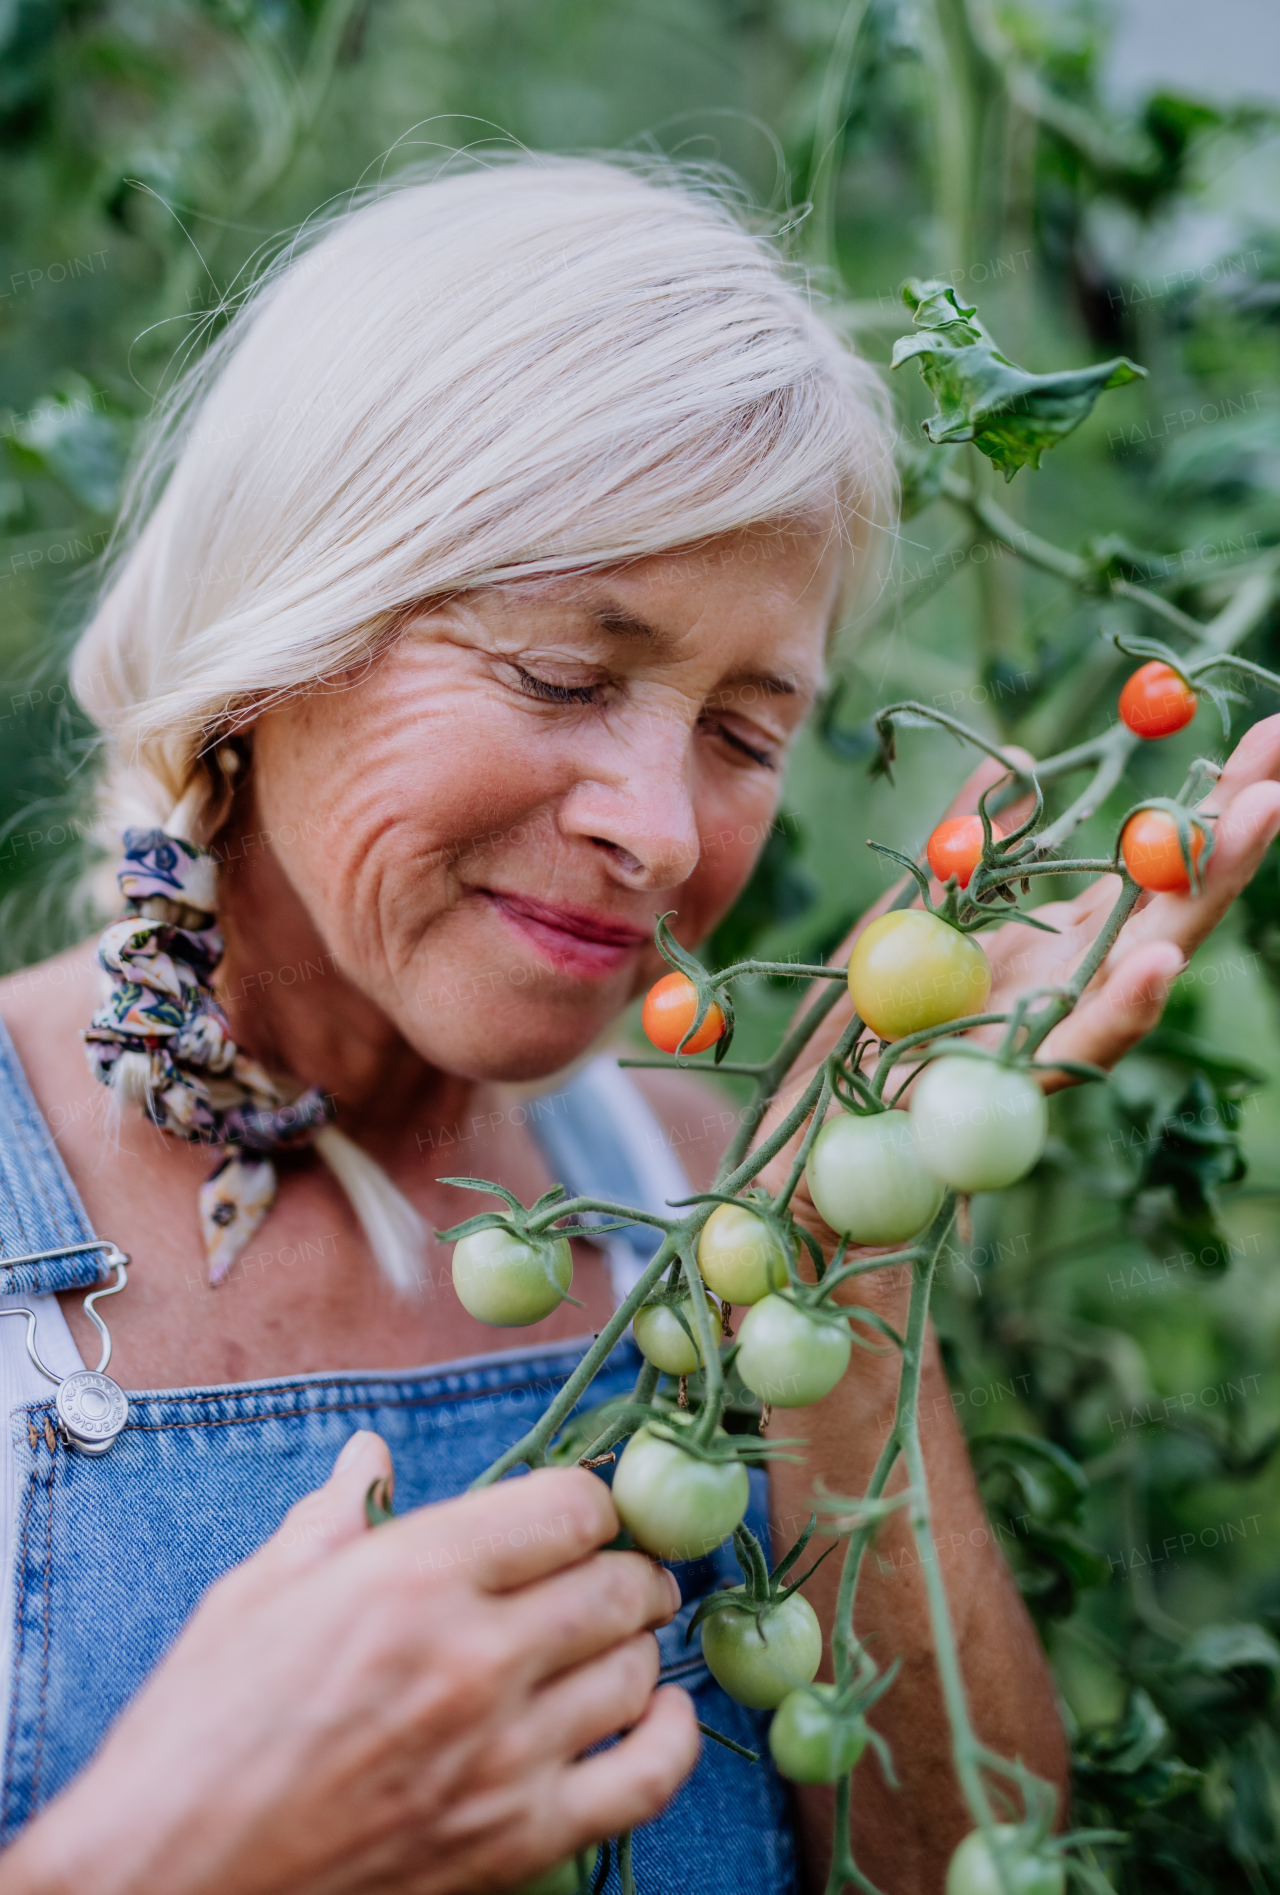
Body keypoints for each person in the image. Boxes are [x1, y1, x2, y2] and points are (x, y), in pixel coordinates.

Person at [0, 156, 1275, 1895]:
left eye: (748, 736)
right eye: (562, 676)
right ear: (270, 642)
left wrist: (843, 1234)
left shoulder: (703, 1198)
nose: (666, 832)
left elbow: (957, 1866)